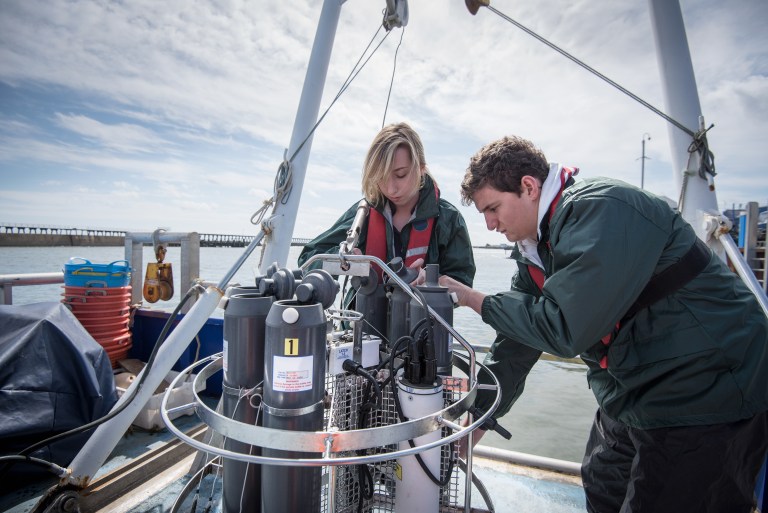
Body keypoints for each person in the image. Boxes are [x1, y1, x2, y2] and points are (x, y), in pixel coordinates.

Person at [438, 135, 768, 513]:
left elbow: (565, 328)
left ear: (528, 187)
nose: (490, 224)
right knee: (602, 482)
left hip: (709, 384)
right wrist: (477, 421)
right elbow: (516, 343)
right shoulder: (535, 249)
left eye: (493, 208)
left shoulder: (600, 209)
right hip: (633, 387)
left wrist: (472, 297)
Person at [298, 120, 475, 289]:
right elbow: (307, 260)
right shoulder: (363, 213)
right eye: (381, 178)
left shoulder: (449, 219)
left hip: (422, 319)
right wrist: (342, 260)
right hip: (362, 318)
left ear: (421, 168)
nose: (391, 189)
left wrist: (432, 282)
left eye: (400, 175)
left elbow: (463, 283)